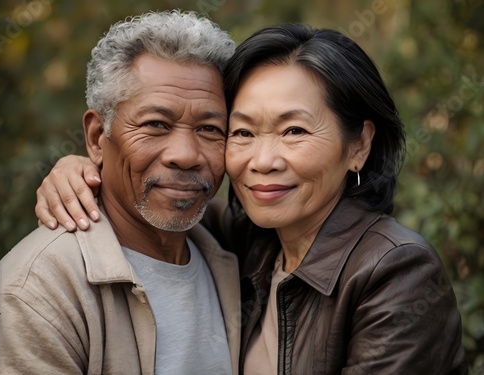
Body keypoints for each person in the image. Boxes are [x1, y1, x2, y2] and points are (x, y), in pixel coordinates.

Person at [34, 25, 467, 374]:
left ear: (359, 145)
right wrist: (89, 168)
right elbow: (156, 200)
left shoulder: (397, 272)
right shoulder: (252, 240)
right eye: (242, 133)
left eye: (294, 130)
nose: (262, 161)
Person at [0, 10, 241, 374]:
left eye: (210, 129)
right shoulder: (36, 290)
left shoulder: (236, 251)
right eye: (156, 124)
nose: (185, 155)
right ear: (96, 138)